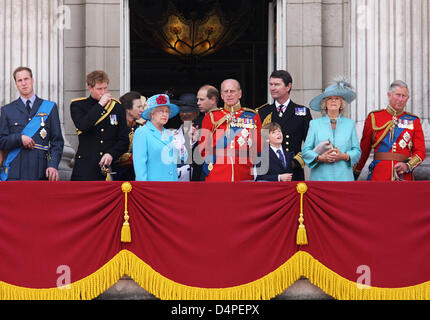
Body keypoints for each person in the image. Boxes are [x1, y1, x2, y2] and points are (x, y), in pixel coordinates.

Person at [0, 66, 64, 181]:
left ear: (32, 80)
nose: (24, 83)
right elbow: (2, 141)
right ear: (16, 84)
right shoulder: (7, 110)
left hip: (40, 172)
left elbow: (57, 141)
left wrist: (53, 165)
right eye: (20, 80)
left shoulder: (50, 107)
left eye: (26, 79)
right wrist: (20, 139)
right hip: (15, 172)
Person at [354, 80, 426, 181]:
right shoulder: (374, 117)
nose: (400, 99)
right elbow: (364, 149)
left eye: (404, 96)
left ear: (407, 98)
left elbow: (421, 151)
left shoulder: (414, 120)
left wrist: (407, 165)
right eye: (397, 95)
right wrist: (354, 173)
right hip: (379, 175)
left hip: (403, 177)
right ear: (389, 95)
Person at [199, 79, 262, 182]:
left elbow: (258, 147)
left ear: (239, 94)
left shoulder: (252, 116)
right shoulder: (212, 116)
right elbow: (203, 149)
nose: (229, 94)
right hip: (216, 175)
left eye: (232, 91)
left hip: (243, 174)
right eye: (225, 91)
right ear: (222, 95)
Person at [70, 70, 129, 181]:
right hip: (86, 168)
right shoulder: (78, 105)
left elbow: (124, 140)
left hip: (109, 167)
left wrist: (111, 154)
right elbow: (83, 125)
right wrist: (100, 105)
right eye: (99, 89)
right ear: (90, 88)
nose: (103, 92)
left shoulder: (117, 107)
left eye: (105, 88)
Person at [302, 77, 361, 181]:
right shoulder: (315, 124)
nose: (333, 100)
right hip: (320, 178)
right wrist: (320, 158)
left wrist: (343, 156)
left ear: (341, 103)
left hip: (344, 178)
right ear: (325, 103)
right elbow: (306, 151)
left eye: (337, 98)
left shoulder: (350, 124)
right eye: (330, 98)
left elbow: (357, 151)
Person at [257, 70, 312, 181]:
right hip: (269, 172)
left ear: (288, 87)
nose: (272, 88)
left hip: (293, 171)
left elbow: (310, 144)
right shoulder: (262, 112)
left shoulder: (302, 112)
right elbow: (258, 143)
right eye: (271, 84)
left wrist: (295, 162)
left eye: (277, 84)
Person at [133, 94, 181, 181]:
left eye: (167, 111)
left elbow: (181, 158)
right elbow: (140, 166)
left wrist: (187, 143)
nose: (164, 114)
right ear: (151, 114)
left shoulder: (170, 134)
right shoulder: (142, 132)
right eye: (160, 111)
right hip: (153, 188)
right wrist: (143, 189)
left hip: (172, 186)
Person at [112, 91, 147, 181]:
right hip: (117, 177)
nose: (142, 110)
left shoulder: (141, 127)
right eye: (139, 107)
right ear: (127, 109)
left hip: (137, 177)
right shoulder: (115, 128)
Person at [171, 93, 200, 181]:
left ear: (197, 113)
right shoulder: (172, 134)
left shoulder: (203, 133)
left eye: (188, 111)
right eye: (182, 111)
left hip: (197, 182)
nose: (185, 114)